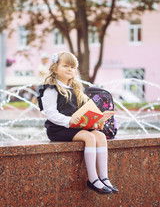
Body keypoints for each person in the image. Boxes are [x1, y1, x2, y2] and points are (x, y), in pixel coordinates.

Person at [37, 51, 118, 195]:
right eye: (66, 66)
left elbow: (84, 113)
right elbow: (50, 113)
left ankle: (104, 177)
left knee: (99, 135)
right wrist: (69, 120)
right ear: (55, 68)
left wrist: (97, 120)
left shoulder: (76, 89)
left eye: (73, 67)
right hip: (58, 129)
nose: (70, 69)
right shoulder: (51, 88)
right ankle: (93, 179)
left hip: (75, 127)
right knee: (89, 137)